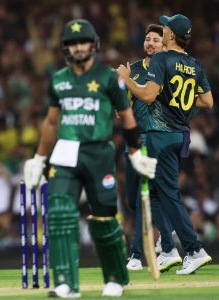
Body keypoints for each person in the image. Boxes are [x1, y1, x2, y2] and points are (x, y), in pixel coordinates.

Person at [23, 19, 157, 298]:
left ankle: (116, 278)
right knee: (59, 214)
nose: (78, 47)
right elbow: (50, 123)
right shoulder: (59, 79)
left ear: (93, 44)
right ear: (66, 48)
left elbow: (128, 118)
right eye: (73, 43)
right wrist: (38, 158)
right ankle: (65, 283)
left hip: (98, 153)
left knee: (105, 218)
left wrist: (134, 154)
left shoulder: (110, 79)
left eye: (83, 42)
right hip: (65, 152)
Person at [117, 14, 214, 275]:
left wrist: (126, 79)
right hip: (180, 135)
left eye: (166, 29)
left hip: (160, 134)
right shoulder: (194, 65)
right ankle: (169, 250)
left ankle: (194, 249)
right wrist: (178, 99)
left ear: (170, 36)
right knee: (159, 194)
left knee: (168, 194)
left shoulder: (161, 59)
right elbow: (207, 102)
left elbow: (148, 96)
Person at [124, 24, 172, 271]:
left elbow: (151, 97)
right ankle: (167, 231)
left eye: (156, 40)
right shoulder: (132, 69)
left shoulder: (167, 68)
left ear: (165, 45)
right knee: (133, 200)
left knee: (146, 198)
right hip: (132, 142)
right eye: (148, 39)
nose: (151, 43)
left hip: (155, 139)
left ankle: (135, 255)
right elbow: (122, 105)